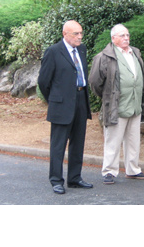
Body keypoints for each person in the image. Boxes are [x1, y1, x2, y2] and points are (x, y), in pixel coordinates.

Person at [89, 24, 144, 184]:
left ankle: (133, 169)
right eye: (122, 36)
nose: (126, 38)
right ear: (113, 39)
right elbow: (94, 82)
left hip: (134, 105)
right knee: (112, 140)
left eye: (127, 35)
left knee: (133, 140)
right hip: (116, 107)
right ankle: (109, 172)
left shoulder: (135, 53)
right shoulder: (104, 57)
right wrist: (108, 97)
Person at [38, 20, 93, 194]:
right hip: (61, 104)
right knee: (58, 144)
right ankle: (56, 180)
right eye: (76, 34)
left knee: (78, 142)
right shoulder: (54, 52)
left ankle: (75, 178)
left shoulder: (81, 50)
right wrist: (55, 100)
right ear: (65, 34)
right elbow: (43, 81)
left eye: (81, 33)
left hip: (80, 100)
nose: (80, 37)